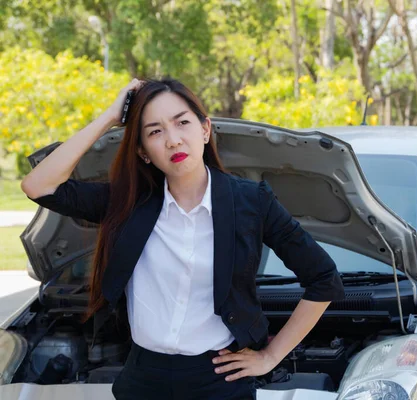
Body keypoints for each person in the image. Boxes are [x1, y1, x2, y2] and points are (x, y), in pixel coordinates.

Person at [20, 78, 345, 399]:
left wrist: (271, 357)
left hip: (218, 379)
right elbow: (38, 186)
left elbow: (323, 278)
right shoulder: (128, 202)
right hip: (143, 378)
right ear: (143, 152)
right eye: (155, 132)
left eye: (182, 123)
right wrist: (108, 117)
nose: (173, 140)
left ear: (205, 130)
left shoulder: (251, 202)